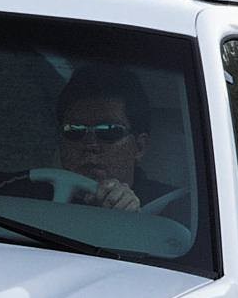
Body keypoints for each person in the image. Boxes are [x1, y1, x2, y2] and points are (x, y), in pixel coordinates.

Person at [52, 64, 178, 212]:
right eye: (74, 130)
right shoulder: (30, 199)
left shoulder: (173, 209)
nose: (90, 145)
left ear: (139, 147)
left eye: (109, 131)